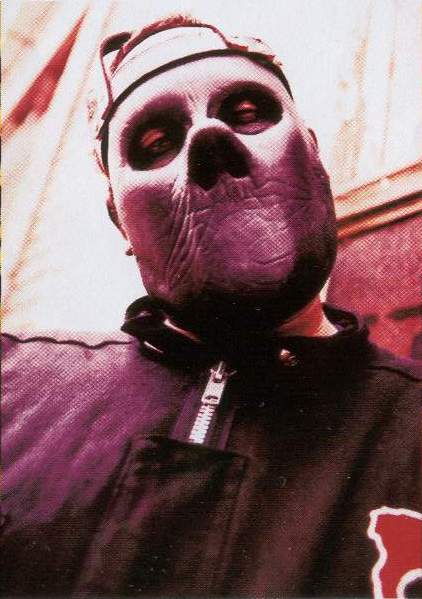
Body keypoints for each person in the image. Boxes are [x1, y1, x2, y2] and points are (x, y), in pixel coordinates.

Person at [2, 15, 421, 598]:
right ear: (119, 219)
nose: (209, 139)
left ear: (314, 155)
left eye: (247, 113)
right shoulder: (12, 392)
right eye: (155, 145)